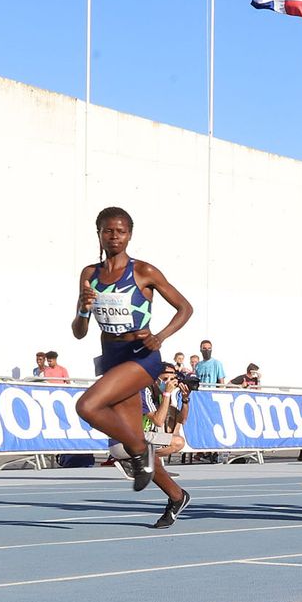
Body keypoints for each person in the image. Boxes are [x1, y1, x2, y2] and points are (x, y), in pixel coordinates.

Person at [70, 206, 194, 528]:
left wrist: (161, 337)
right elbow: (79, 331)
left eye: (121, 231)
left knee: (87, 405)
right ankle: (177, 495)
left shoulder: (144, 271)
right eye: (108, 231)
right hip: (111, 354)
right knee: (130, 444)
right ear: (98, 233)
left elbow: (185, 307)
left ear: (129, 235)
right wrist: (83, 311)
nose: (114, 236)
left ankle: (142, 455)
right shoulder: (89, 274)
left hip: (141, 354)